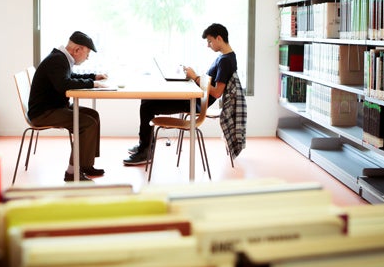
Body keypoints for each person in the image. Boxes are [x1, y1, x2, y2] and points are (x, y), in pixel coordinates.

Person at [124, 23, 238, 165]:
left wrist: (195, 77)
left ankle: (145, 151)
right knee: (146, 100)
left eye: (209, 41)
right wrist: (193, 77)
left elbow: (217, 93)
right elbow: (209, 83)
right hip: (194, 97)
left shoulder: (226, 61)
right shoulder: (224, 58)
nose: (208, 45)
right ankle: (145, 145)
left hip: (195, 103)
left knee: (147, 106)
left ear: (219, 38)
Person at [28, 31, 108, 181]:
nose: (88, 57)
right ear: (77, 50)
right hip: (44, 113)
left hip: (54, 107)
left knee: (93, 115)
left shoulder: (60, 58)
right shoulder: (57, 60)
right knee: (87, 123)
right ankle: (72, 173)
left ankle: (85, 164)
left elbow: (69, 77)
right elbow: (64, 85)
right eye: (88, 53)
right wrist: (93, 84)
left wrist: (92, 77)